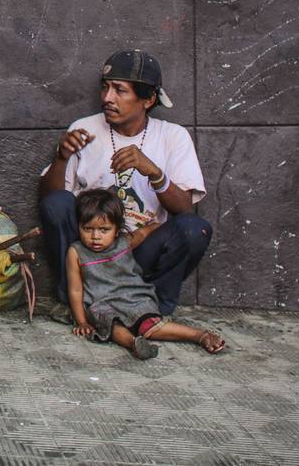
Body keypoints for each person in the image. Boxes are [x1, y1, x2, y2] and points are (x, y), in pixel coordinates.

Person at [38, 50, 212, 321]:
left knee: (194, 228)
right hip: (88, 254)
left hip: (140, 253)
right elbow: (50, 204)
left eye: (120, 91)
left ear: (148, 99)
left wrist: (154, 172)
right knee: (58, 203)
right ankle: (75, 300)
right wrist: (61, 158)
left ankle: (152, 307)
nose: (107, 98)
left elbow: (185, 209)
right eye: (105, 88)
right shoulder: (84, 128)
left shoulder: (173, 137)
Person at [68, 189, 227, 358]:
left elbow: (143, 232)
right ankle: (134, 344)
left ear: (116, 230)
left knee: (150, 326)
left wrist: (157, 227)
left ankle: (199, 335)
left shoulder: (124, 242)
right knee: (112, 326)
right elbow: (76, 290)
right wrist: (82, 322)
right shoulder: (76, 252)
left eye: (104, 230)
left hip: (133, 298)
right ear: (78, 226)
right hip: (101, 304)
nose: (95, 236)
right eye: (87, 228)